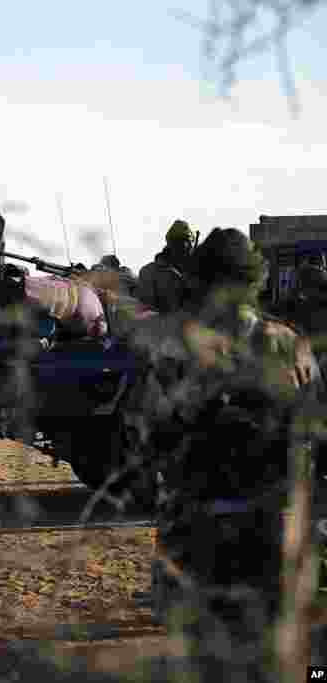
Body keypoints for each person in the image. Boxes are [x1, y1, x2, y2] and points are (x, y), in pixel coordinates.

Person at [123, 227, 321, 677]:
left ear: (201, 279)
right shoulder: (289, 345)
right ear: (254, 278)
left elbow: (143, 438)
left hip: (195, 531)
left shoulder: (175, 348)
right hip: (270, 528)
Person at [136, 219, 195, 313]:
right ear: (171, 244)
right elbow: (146, 312)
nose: (188, 247)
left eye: (189, 243)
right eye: (182, 241)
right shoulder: (149, 272)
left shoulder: (195, 272)